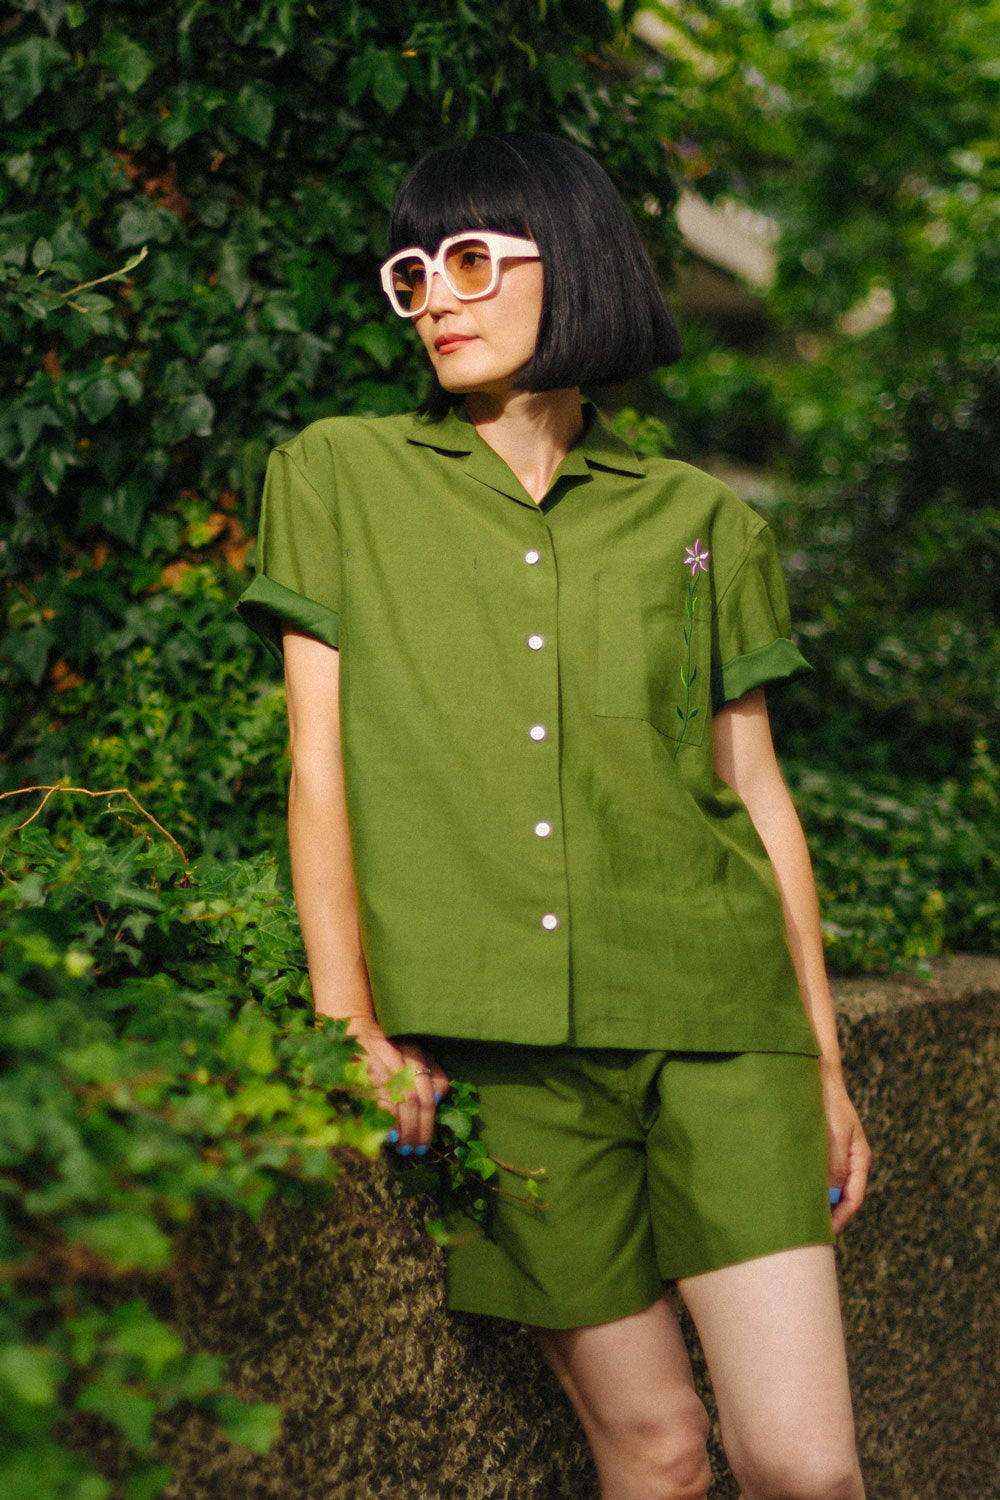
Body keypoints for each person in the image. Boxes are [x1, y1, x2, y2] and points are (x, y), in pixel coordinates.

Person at [238, 131, 871, 1500]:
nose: (436, 299)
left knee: (806, 1467)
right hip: (504, 1058)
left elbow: (756, 795)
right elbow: (321, 766)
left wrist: (822, 1062)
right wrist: (346, 1019)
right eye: (413, 273)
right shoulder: (337, 475)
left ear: (569, 263)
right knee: (654, 1450)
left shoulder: (701, 521)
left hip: (723, 1027)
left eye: (470, 260)